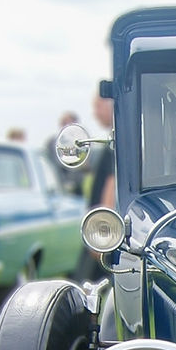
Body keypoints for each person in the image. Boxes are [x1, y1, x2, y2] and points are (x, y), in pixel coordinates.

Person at [73, 90, 116, 283]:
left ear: (111, 104)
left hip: (104, 234)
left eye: (97, 106)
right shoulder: (115, 140)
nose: (95, 113)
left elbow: (112, 184)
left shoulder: (117, 143)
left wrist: (101, 232)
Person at [45, 110, 84, 194]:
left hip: (79, 187)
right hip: (58, 186)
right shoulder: (52, 143)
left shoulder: (82, 143)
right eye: (63, 123)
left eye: (67, 123)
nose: (65, 126)